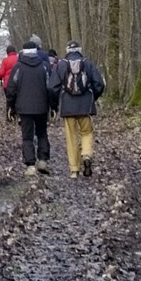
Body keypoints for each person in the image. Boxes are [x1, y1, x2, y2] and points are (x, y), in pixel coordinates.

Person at [3, 33, 57, 174]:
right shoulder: (45, 67)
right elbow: (51, 88)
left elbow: (11, 89)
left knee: (27, 136)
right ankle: (43, 160)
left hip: (24, 107)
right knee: (42, 133)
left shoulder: (18, 67)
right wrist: (53, 106)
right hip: (41, 107)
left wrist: (11, 107)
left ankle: (30, 165)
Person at [53, 39, 107, 179]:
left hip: (68, 106)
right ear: (80, 49)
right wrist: (92, 98)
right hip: (85, 106)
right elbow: (99, 84)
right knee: (87, 132)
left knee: (71, 137)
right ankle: (87, 155)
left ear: (67, 50)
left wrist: (56, 102)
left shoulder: (61, 65)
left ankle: (74, 170)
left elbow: (52, 87)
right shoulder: (88, 63)